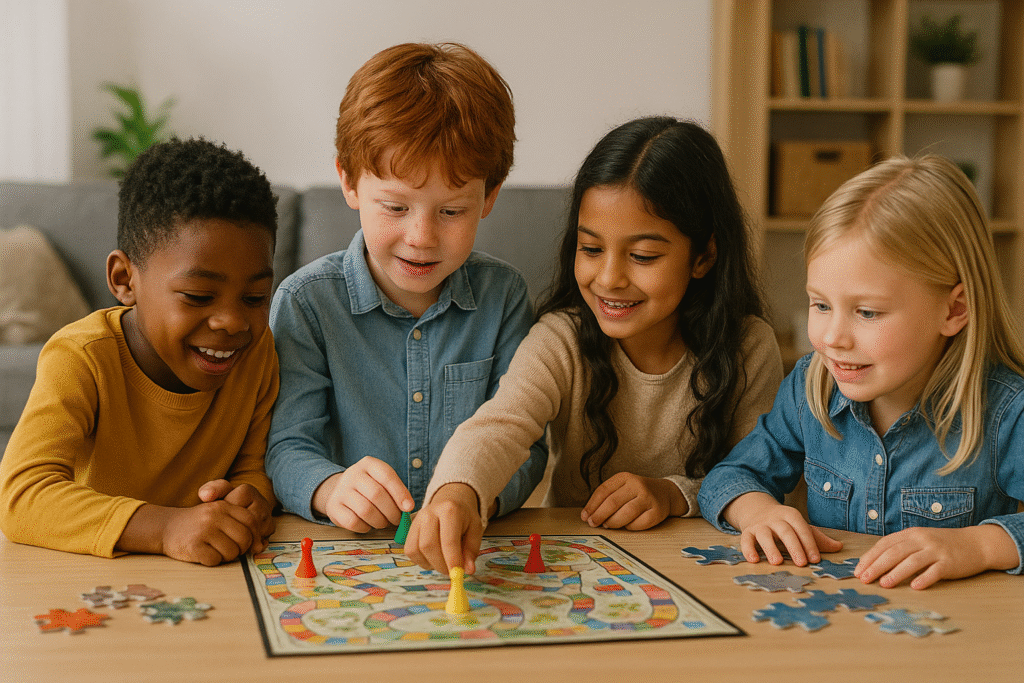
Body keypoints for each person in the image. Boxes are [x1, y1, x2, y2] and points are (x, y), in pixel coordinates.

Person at [405, 116, 784, 573]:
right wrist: (456, 494)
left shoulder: (748, 346)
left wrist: (672, 494)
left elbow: (761, 476)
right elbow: (500, 424)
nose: (609, 279)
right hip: (577, 570)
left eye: (643, 256)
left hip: (707, 571)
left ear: (703, 256)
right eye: (590, 249)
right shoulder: (561, 338)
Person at [699, 155, 1024, 589]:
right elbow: (729, 476)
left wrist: (979, 546)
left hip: (956, 629)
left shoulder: (1006, 411)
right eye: (820, 305)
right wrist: (757, 510)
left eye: (867, 312)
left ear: (954, 310)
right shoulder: (810, 388)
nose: (833, 337)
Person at [266, 42, 547, 532]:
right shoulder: (306, 304)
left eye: (451, 211)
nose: (421, 237)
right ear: (349, 182)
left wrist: (469, 496)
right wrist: (330, 489)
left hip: (471, 544)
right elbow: (287, 446)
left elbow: (525, 446)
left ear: (489, 196)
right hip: (350, 550)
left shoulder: (504, 298)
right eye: (396, 207)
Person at [0, 138, 280, 565]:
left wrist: (251, 499)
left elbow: (252, 466)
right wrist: (165, 528)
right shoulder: (81, 358)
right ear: (123, 280)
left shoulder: (256, 354)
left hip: (202, 575)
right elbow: (22, 495)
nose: (233, 322)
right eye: (198, 296)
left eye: (255, 298)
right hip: (91, 573)